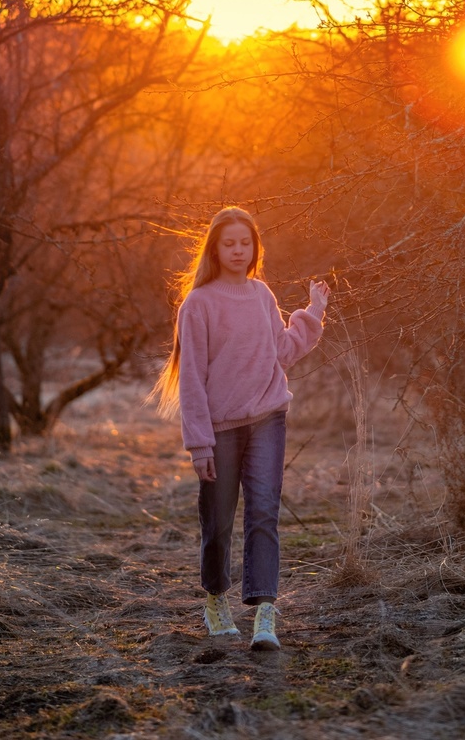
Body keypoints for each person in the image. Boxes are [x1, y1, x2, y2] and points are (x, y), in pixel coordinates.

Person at [154, 206, 329, 651]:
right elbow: (191, 377)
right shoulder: (198, 304)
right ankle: (215, 599)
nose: (238, 250)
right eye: (229, 243)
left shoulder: (262, 295)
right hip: (220, 429)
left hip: (269, 417)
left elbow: (283, 353)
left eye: (245, 243)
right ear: (215, 248)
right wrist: (199, 444)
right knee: (217, 521)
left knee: (264, 512)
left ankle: (265, 614)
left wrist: (312, 311)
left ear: (255, 248)